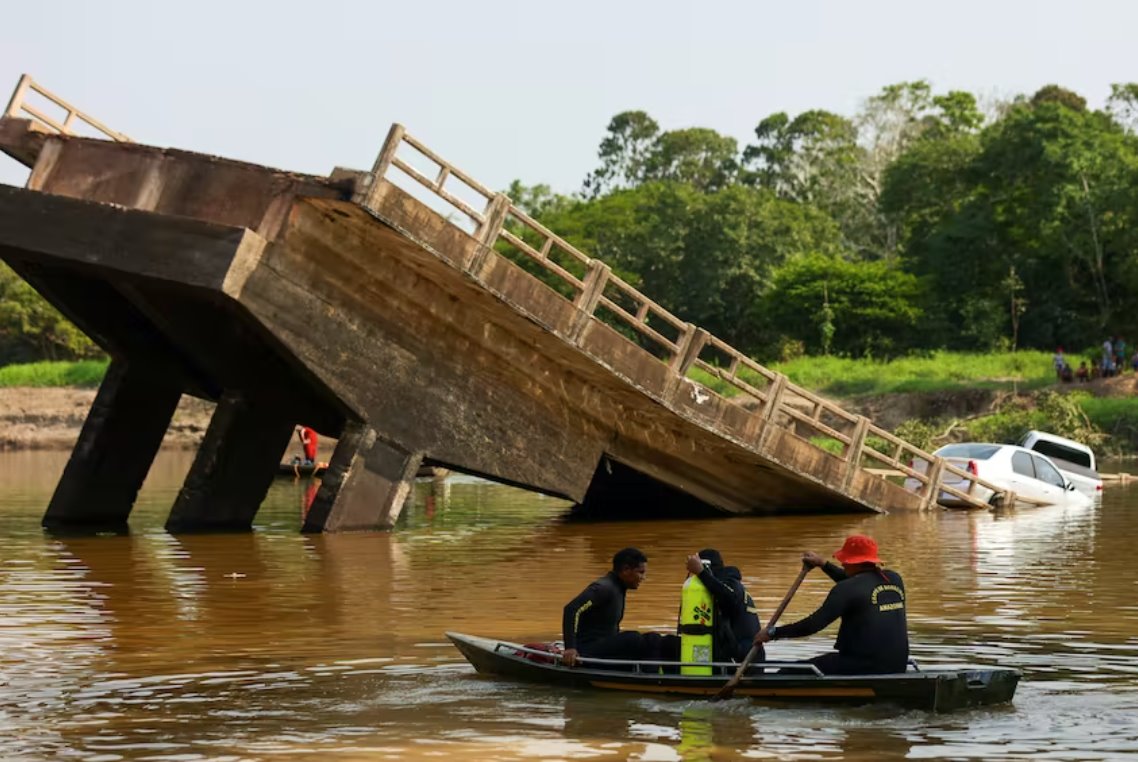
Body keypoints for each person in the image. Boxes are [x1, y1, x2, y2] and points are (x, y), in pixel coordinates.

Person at [753, 535, 908, 675]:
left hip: (861, 665)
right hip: (897, 664)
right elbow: (855, 586)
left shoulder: (846, 589)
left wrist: (773, 633)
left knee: (788, 672)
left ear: (852, 562)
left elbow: (813, 625)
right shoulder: (894, 579)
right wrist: (823, 564)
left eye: (844, 561)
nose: (842, 563)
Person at [562, 547, 679, 668]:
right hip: (588, 649)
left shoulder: (619, 588)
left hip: (606, 647)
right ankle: (652, 677)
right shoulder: (604, 588)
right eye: (641, 572)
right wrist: (570, 648)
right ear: (626, 570)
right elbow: (572, 609)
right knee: (634, 639)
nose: (643, 578)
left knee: (664, 641)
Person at [684, 548, 761, 662]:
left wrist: (701, 573)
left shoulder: (730, 584)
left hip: (744, 659)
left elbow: (728, 597)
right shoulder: (730, 583)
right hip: (743, 653)